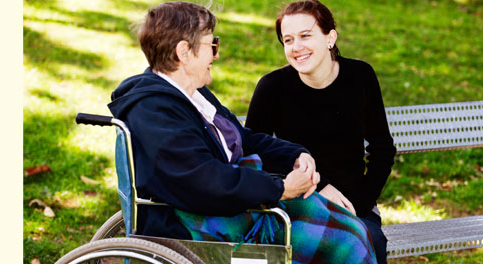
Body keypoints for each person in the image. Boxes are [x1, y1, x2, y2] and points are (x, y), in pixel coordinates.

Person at [108, 2, 377, 263]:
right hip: (197, 223)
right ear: (184, 52)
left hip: (234, 202)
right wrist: (281, 188)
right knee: (345, 241)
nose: (216, 54)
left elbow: (243, 138)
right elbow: (203, 179)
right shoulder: (155, 110)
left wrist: (294, 155)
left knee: (353, 231)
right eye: (212, 44)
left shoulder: (194, 93)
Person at [245, 1, 397, 263]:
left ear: (330, 38)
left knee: (367, 239)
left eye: (306, 36)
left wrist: (358, 204)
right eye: (288, 40)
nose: (296, 47)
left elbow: (382, 147)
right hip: (299, 200)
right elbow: (253, 151)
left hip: (354, 201)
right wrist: (319, 185)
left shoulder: (361, 76)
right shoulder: (272, 88)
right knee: (305, 246)